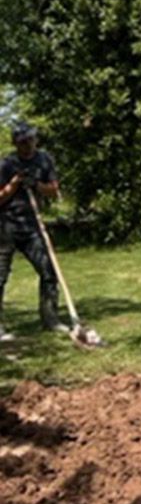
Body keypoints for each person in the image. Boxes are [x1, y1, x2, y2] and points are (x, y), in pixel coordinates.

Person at [0, 123, 64, 341]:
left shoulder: (44, 160)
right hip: (7, 225)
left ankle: (51, 320)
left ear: (36, 139)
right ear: (16, 143)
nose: (27, 145)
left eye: (30, 140)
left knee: (48, 271)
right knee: (0, 276)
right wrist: (15, 184)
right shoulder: (7, 164)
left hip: (32, 226)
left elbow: (54, 190)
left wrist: (36, 185)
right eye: (22, 142)